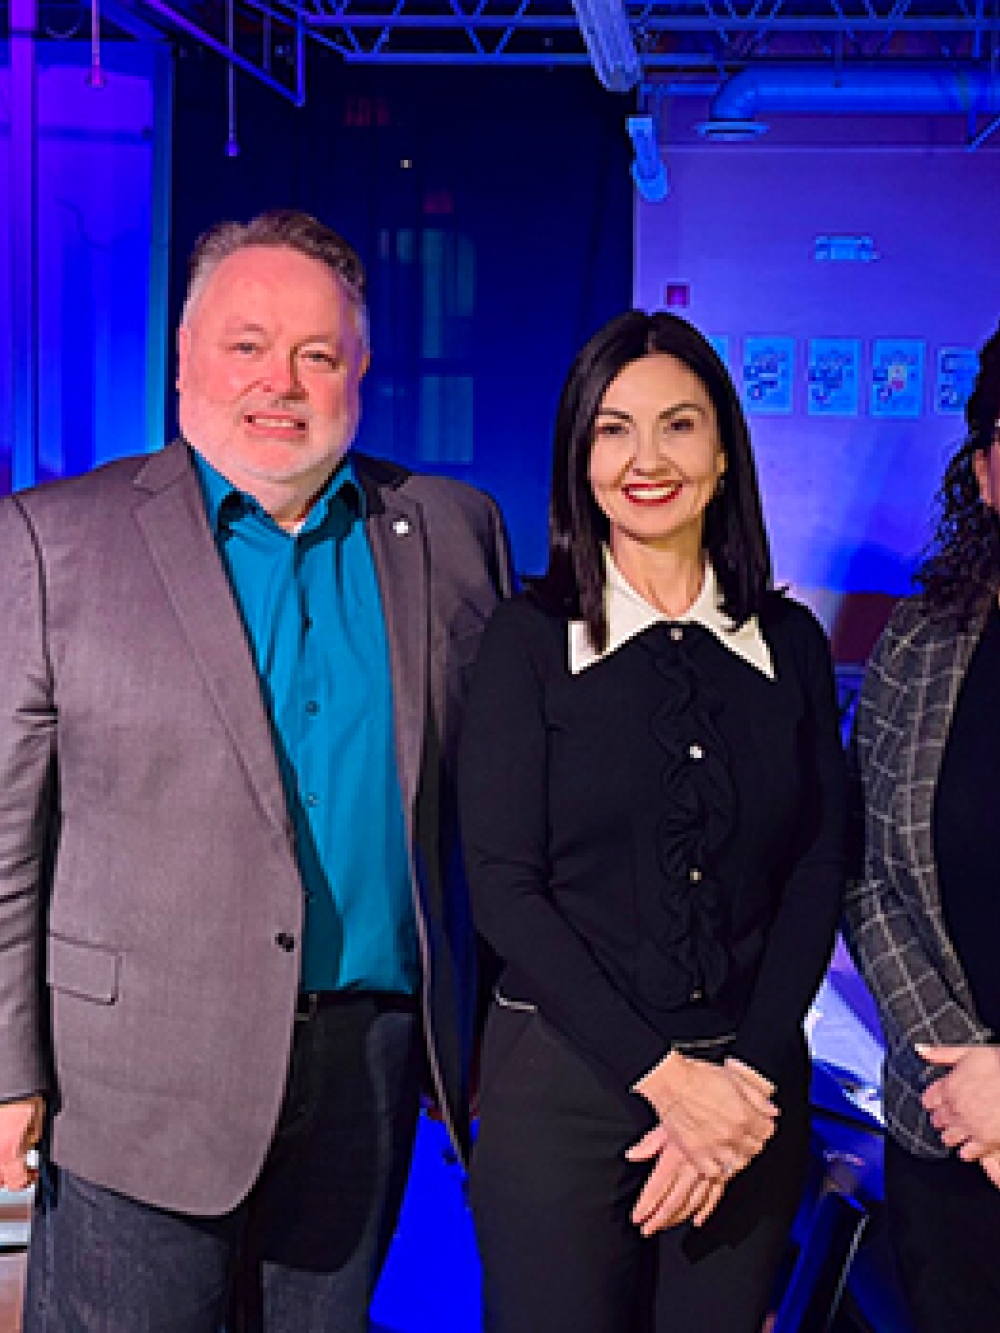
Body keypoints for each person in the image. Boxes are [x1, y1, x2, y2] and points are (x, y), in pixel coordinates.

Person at [0, 208, 512, 1332]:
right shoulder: (51, 541)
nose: (279, 382)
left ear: (359, 370)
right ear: (185, 358)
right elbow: (5, 844)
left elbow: (493, 811)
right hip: (135, 1076)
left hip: (367, 1072)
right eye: (246, 345)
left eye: (316, 354)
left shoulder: (454, 530)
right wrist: (6, 1068)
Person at [458, 310, 846, 1333]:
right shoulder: (527, 640)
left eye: (677, 425)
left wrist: (743, 1082)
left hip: (747, 1096)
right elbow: (503, 885)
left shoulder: (792, 642)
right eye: (612, 429)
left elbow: (817, 867)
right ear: (579, 458)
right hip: (564, 1091)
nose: (646, 458)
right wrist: (666, 1080)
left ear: (722, 453)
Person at [843, 323, 1000, 1333]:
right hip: (944, 1127)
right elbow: (860, 866)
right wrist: (963, 1062)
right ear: (985, 470)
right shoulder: (923, 636)